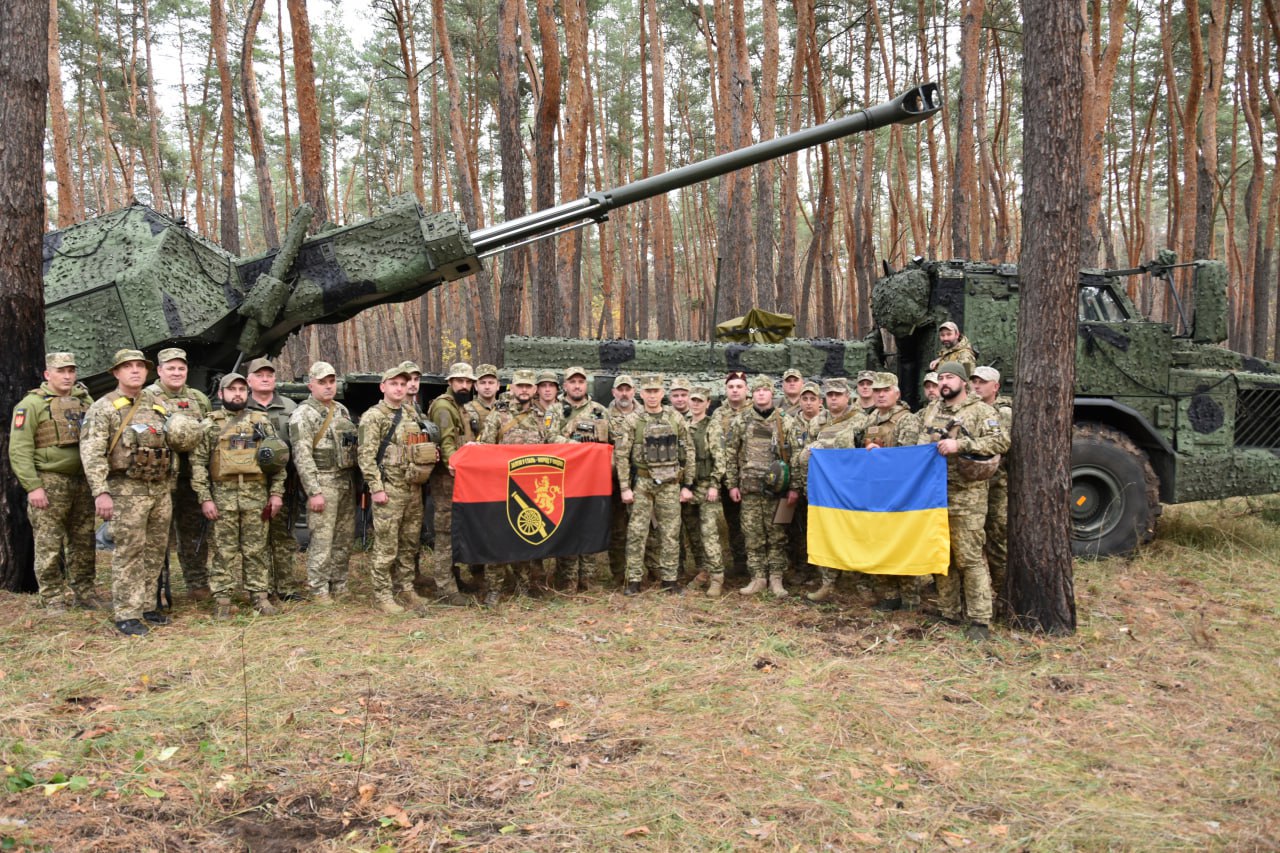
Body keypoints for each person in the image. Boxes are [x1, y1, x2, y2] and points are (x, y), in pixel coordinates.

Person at [80, 349, 174, 636]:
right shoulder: (104, 407)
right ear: (116, 373)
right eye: (128, 367)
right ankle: (126, 612)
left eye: (139, 366)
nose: (135, 371)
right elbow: (92, 452)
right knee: (129, 552)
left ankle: (147, 605)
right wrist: (101, 492)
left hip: (159, 488)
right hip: (125, 489)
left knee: (155, 550)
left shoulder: (158, 405)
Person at [917, 361, 1009, 640]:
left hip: (966, 496)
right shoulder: (933, 411)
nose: (944, 382)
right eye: (941, 377)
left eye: (950, 378)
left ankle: (980, 620)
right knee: (941, 555)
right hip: (934, 495)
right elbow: (920, 445)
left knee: (969, 558)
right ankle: (949, 611)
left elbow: (1001, 442)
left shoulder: (981, 411)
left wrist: (962, 445)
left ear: (963, 383)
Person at [190, 373, 286, 618]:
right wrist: (205, 498)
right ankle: (222, 598)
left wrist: (276, 494)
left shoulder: (261, 422)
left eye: (242, 389)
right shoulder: (210, 424)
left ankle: (259, 596)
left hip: (256, 497)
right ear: (221, 394)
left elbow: (277, 462)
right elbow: (198, 463)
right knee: (223, 551)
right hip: (223, 498)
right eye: (231, 389)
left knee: (256, 549)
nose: (237, 393)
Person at [9, 352, 98, 612]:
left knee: (84, 540)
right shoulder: (31, 405)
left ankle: (85, 592)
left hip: (82, 481)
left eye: (71, 371)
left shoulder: (84, 402)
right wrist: (33, 486)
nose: (67, 376)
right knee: (49, 541)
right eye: (61, 371)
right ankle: (53, 597)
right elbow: (19, 449)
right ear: (48, 375)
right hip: (50, 480)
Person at [358, 365, 439, 613]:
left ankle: (405, 588)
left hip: (413, 489)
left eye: (403, 384)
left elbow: (418, 446)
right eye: (394, 384)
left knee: (409, 543)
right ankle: (382, 594)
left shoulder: (412, 414)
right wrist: (376, 488)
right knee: (386, 546)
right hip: (389, 491)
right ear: (383, 387)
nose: (399, 388)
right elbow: (365, 456)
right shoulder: (374, 417)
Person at [478, 369, 561, 605]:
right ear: (512, 388)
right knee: (497, 538)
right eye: (520, 386)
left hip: (531, 488)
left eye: (528, 386)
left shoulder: (543, 416)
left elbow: (554, 443)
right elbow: (485, 447)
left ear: (534, 389)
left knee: (527, 537)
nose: (524, 390)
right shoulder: (498, 415)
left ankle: (525, 585)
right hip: (502, 487)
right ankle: (494, 587)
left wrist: (583, 449)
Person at [614, 375, 694, 595]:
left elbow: (688, 451)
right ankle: (634, 579)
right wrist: (624, 487)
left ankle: (670, 579)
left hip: (670, 483)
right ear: (641, 393)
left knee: (670, 532)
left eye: (656, 391)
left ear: (662, 393)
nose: (652, 395)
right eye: (648, 391)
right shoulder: (633, 420)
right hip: (643, 482)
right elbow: (621, 455)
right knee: (637, 532)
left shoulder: (675, 418)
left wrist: (688, 484)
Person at [145, 347, 214, 600]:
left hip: (190, 479)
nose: (176, 373)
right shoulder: (147, 398)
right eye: (170, 368)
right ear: (160, 370)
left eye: (181, 368)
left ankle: (197, 583)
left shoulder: (198, 399)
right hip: (159, 477)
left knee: (194, 533)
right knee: (156, 536)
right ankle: (156, 588)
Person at [288, 361, 358, 605]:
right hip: (323, 480)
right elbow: (302, 455)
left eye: (331, 381)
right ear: (311, 385)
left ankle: (339, 583)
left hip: (345, 481)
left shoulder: (341, 410)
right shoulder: (303, 414)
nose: (328, 387)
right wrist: (314, 491)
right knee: (322, 539)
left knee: (344, 537)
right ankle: (318, 588)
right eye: (322, 382)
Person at [793, 378, 868, 603]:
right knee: (826, 535)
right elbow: (802, 452)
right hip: (824, 489)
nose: (833, 398)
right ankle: (827, 582)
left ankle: (862, 583)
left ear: (848, 397)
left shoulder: (860, 420)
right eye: (830, 395)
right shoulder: (817, 421)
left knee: (855, 536)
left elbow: (850, 445)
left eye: (838, 394)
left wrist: (820, 446)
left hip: (851, 488)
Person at [725, 375, 798, 598]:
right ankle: (758, 577)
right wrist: (731, 484)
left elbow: (794, 456)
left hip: (778, 491)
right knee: (753, 534)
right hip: (749, 489)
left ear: (771, 393)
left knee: (777, 535)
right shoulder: (741, 420)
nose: (761, 394)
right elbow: (730, 453)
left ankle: (776, 578)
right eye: (757, 391)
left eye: (765, 390)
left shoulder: (785, 421)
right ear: (752, 394)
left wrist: (794, 487)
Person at [863, 372, 925, 611]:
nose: (880, 394)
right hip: (876, 491)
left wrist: (880, 456)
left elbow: (907, 457)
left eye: (885, 390)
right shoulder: (871, 420)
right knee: (878, 542)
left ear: (896, 394)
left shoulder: (906, 420)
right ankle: (889, 594)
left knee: (902, 544)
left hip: (900, 492)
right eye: (876, 390)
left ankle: (910, 596)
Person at [244, 357, 302, 602]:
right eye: (260, 375)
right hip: (252, 483)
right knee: (257, 537)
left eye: (269, 374)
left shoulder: (290, 406)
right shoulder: (242, 408)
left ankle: (286, 587)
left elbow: (299, 444)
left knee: (283, 535)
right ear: (249, 380)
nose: (265, 378)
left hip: (285, 481)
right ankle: (261, 588)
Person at [555, 367, 611, 592]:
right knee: (567, 525)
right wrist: (575, 447)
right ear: (565, 386)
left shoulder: (599, 411)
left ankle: (587, 578)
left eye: (581, 381)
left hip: (592, 481)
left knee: (590, 526)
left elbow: (612, 440)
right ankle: (567, 579)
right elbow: (549, 437)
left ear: (586, 385)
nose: (577, 385)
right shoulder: (555, 410)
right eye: (572, 382)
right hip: (565, 479)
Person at [426, 362, 477, 606]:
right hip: (449, 478)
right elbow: (447, 443)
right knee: (445, 532)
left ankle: (453, 578)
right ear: (450, 382)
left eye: (468, 382)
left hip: (459, 477)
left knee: (455, 530)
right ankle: (445, 588)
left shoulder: (460, 406)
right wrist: (455, 468)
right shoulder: (444, 407)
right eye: (460, 381)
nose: (465, 385)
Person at [970, 365, 1013, 616]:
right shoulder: (970, 411)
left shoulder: (1003, 413)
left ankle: (1002, 595)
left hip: (997, 485)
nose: (977, 386)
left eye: (982, 382)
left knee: (997, 540)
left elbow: (1002, 445)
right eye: (974, 381)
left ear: (995, 387)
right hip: (974, 486)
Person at [684, 386, 727, 596]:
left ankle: (717, 576)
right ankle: (704, 571)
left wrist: (714, 484)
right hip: (687, 487)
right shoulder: (684, 424)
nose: (695, 404)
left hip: (705, 486)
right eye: (693, 400)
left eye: (700, 401)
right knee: (693, 533)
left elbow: (720, 459)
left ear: (708, 403)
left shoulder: (712, 426)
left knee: (709, 533)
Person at [784, 381, 826, 586]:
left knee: (820, 530)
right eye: (805, 399)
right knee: (797, 530)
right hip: (798, 486)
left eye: (813, 399)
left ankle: (821, 573)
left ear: (820, 402)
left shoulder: (827, 423)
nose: (808, 403)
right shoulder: (792, 424)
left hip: (821, 489)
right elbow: (790, 456)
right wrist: (793, 487)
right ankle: (802, 568)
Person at [710, 371, 751, 578]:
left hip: (752, 477)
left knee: (755, 525)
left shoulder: (755, 411)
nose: (735, 390)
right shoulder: (719, 414)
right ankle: (740, 564)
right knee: (734, 523)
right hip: (729, 478)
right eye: (731, 387)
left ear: (746, 390)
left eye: (739, 386)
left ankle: (758, 566)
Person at [606, 374, 638, 584]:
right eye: (620, 389)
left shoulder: (646, 414)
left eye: (628, 389)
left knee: (644, 528)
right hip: (614, 480)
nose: (624, 393)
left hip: (641, 479)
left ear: (634, 391)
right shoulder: (603, 416)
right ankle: (618, 573)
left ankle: (645, 570)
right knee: (617, 529)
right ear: (614, 392)